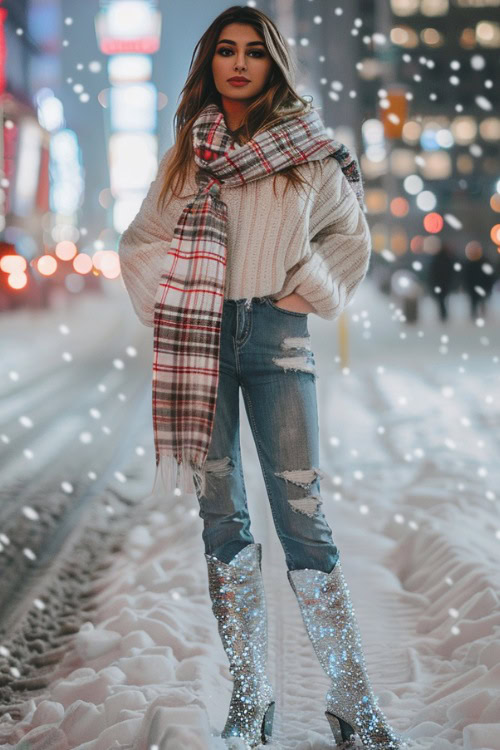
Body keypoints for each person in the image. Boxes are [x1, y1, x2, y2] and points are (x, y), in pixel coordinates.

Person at [118, 6, 408, 749]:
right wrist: (185, 288)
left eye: (253, 51)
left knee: (305, 523)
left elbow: (352, 238)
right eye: (225, 51)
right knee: (224, 522)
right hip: (201, 341)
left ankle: (355, 705)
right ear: (209, 63)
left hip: (277, 341)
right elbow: (140, 241)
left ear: (273, 63)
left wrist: (299, 283)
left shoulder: (307, 151)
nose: (238, 63)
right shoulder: (190, 153)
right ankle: (252, 698)